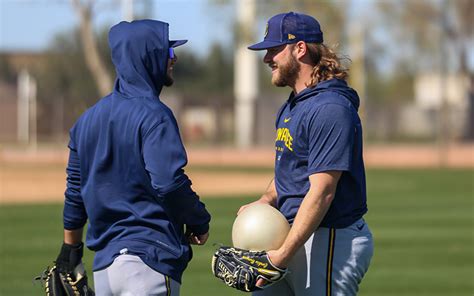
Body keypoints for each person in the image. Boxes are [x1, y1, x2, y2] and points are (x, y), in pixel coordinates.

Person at [56, 19, 211, 295]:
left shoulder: (86, 120)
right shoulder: (154, 114)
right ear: (149, 57)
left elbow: (74, 195)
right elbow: (168, 182)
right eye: (168, 52)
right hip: (148, 263)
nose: (173, 59)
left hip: (105, 268)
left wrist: (70, 251)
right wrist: (199, 219)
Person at [241, 12, 374, 295]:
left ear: (300, 48)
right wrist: (265, 200)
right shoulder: (293, 106)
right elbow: (291, 170)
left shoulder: (330, 108)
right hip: (292, 236)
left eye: (274, 50)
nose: (267, 59)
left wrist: (283, 255)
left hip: (328, 240)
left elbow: (323, 191)